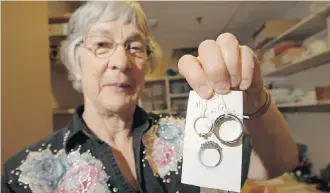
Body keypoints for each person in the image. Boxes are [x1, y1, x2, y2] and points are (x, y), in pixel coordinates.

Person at [1, 1, 298, 193]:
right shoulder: (25, 174)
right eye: (102, 44)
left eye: (135, 47)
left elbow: (275, 164)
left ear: (147, 64)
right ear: (74, 61)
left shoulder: (187, 136)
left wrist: (256, 97)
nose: (122, 61)